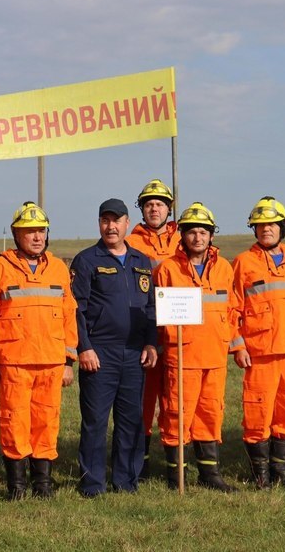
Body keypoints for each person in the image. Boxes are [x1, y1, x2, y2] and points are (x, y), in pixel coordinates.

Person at [0, 202, 77, 500]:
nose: (36, 237)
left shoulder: (59, 268)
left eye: (41, 231)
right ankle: (17, 486)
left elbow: (69, 315)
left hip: (51, 360)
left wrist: (68, 361)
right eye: (29, 231)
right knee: (14, 420)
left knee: (47, 421)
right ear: (16, 234)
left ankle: (43, 484)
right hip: (14, 362)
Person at [70, 198, 157, 497]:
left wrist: (151, 342)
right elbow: (76, 310)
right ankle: (93, 483)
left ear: (126, 224)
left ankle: (125, 481)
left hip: (135, 352)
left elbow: (150, 307)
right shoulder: (86, 260)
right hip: (100, 352)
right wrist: (85, 347)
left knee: (131, 419)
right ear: (99, 224)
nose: (111, 226)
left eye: (116, 220)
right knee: (95, 421)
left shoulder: (141, 261)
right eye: (105, 220)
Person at [154, 202, 239, 492]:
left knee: (210, 412)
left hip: (215, 356)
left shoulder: (225, 268)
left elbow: (232, 310)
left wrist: (232, 342)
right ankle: (176, 476)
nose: (198, 238)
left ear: (211, 236)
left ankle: (210, 475)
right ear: (183, 235)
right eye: (192, 232)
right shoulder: (168, 269)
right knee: (178, 414)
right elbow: (155, 312)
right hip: (182, 356)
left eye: (203, 232)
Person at [232, 196, 285, 489]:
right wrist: (238, 345)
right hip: (260, 352)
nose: (266, 229)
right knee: (258, 412)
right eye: (260, 225)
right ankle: (261, 474)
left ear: (282, 227)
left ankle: (281, 469)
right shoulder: (244, 262)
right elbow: (233, 309)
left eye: (271, 224)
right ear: (254, 230)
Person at [125, 179, 180, 479]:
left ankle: (176, 465)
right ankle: (139, 464)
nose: (154, 208)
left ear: (169, 208)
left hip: (177, 332)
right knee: (143, 400)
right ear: (142, 209)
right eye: (149, 204)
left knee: (174, 399)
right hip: (143, 329)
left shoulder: (182, 237)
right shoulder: (131, 242)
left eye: (160, 204)